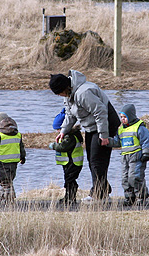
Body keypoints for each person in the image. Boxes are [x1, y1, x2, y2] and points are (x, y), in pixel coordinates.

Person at [49, 70, 121, 203]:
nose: (59, 96)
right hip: (92, 127)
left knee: (97, 160)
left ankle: (99, 195)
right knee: (92, 158)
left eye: (58, 92)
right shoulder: (69, 95)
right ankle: (103, 190)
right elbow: (70, 115)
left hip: (106, 124)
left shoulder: (84, 93)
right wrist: (63, 131)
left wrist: (104, 135)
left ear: (64, 88)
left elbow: (101, 112)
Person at [109, 104, 149, 206]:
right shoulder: (121, 130)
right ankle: (130, 197)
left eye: (125, 117)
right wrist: (108, 142)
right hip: (125, 158)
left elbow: (146, 141)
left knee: (135, 177)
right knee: (125, 178)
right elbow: (117, 142)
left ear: (130, 116)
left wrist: (146, 153)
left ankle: (141, 196)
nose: (123, 119)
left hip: (137, 157)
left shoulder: (139, 128)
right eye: (121, 117)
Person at [48, 108, 84, 205]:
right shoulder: (68, 135)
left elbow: (63, 147)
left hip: (73, 162)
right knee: (68, 180)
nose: (58, 131)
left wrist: (53, 146)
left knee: (70, 180)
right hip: (69, 162)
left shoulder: (70, 137)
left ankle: (70, 198)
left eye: (59, 129)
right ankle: (68, 197)